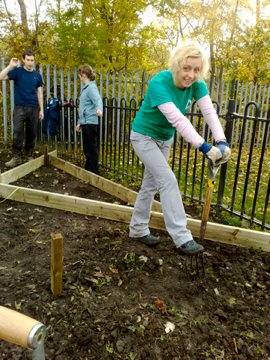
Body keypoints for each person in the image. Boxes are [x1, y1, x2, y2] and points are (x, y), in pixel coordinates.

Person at [129, 43, 231, 255]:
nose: (191, 75)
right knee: (167, 180)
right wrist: (204, 147)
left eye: (196, 69)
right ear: (176, 65)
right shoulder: (159, 83)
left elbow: (209, 112)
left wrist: (222, 141)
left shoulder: (197, 84)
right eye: (186, 68)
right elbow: (178, 120)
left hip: (164, 140)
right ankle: (182, 237)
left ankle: (138, 229)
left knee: (150, 185)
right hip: (143, 137)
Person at [0, 49, 44, 167]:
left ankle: (29, 155)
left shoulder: (37, 75)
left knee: (32, 133)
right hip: (20, 108)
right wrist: (10, 66)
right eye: (28, 60)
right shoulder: (18, 72)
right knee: (17, 132)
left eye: (32, 60)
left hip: (34, 108)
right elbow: (1, 77)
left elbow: (39, 93)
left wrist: (42, 110)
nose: (30, 62)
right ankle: (16, 157)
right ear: (23, 60)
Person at [76, 64, 103, 175]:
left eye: (80, 75)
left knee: (91, 147)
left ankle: (94, 171)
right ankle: (88, 168)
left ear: (83, 75)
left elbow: (98, 100)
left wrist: (99, 110)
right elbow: (83, 108)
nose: (79, 77)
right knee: (87, 147)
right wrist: (79, 123)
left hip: (91, 122)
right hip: (85, 122)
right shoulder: (85, 88)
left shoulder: (91, 88)